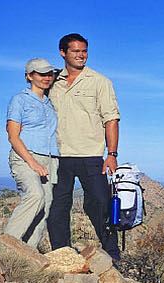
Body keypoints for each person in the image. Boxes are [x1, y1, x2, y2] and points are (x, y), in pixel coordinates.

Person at [45, 33, 124, 259]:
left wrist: (112, 154)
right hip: (58, 155)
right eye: (75, 51)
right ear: (63, 53)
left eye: (84, 51)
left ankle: (112, 254)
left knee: (100, 204)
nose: (81, 55)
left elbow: (111, 119)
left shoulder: (100, 82)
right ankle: (61, 254)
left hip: (91, 155)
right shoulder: (52, 82)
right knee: (58, 207)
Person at [1, 58, 61, 249]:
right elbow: (13, 136)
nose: (47, 77)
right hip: (26, 157)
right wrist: (33, 163)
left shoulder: (50, 103)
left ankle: (28, 254)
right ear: (29, 76)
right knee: (35, 196)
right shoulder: (20, 100)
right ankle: (5, 248)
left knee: (45, 207)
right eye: (41, 73)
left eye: (49, 73)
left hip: (50, 159)